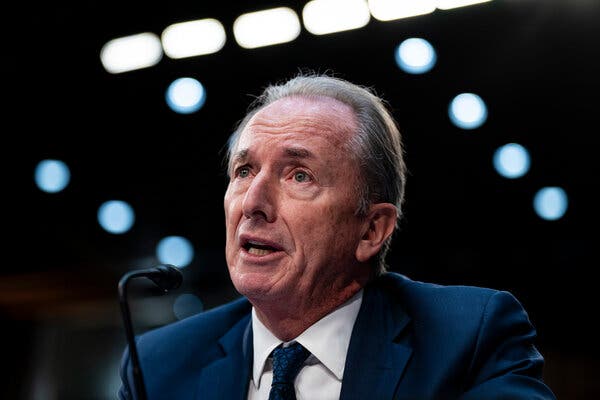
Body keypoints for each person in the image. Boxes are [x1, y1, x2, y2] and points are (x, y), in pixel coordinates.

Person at [119, 73, 556, 399]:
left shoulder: (467, 339)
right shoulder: (159, 366)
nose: (253, 202)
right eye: (244, 170)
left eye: (300, 175)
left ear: (371, 230)